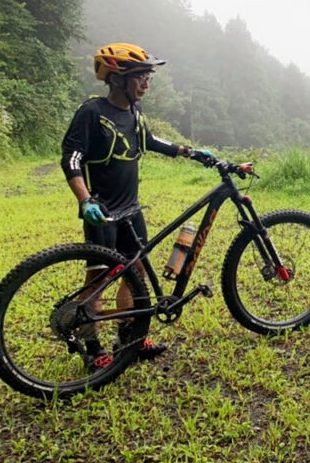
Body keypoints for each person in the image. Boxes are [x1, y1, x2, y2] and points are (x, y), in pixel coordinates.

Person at [60, 42, 207, 371]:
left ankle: (129, 336)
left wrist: (192, 152)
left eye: (148, 78)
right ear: (116, 79)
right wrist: (85, 200)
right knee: (98, 280)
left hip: (130, 211)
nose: (146, 84)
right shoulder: (92, 112)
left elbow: (152, 141)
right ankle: (93, 348)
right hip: (103, 212)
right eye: (139, 77)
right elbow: (71, 158)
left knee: (135, 273)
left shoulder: (133, 112)